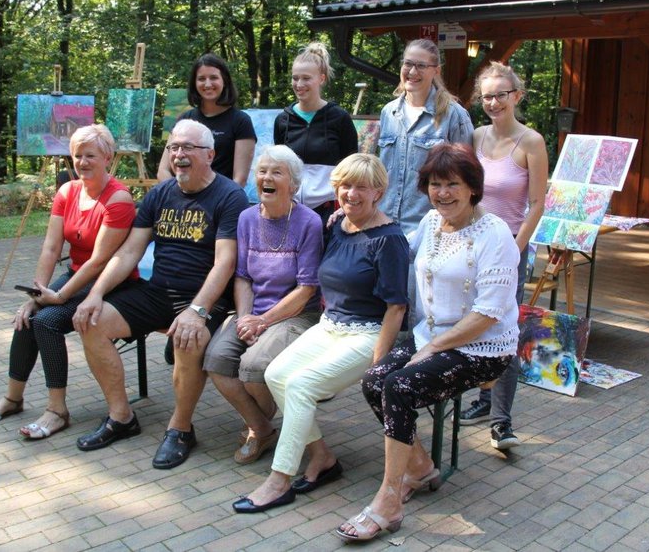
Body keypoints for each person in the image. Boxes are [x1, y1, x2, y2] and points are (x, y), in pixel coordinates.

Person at [336, 144, 519, 541]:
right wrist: (356, 216)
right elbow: (400, 248)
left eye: (453, 184)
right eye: (435, 184)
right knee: (374, 379)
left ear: (473, 187)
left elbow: (488, 313)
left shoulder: (496, 234)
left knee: (398, 387)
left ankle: (388, 501)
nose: (443, 193)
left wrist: (434, 348)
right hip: (432, 337)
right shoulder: (432, 224)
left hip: (481, 348)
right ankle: (419, 468)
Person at [233, 154, 408, 514]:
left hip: (367, 334)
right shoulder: (338, 225)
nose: (351, 193)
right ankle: (323, 457)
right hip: (331, 325)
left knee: (301, 385)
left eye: (361, 186)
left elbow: (397, 307)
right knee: (276, 374)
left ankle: (279, 480)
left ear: (379, 192)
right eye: (345, 185)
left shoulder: (389, 239)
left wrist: (378, 362)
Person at [71, 119, 249, 467]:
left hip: (205, 297)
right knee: (92, 322)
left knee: (188, 338)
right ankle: (121, 417)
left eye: (187, 148)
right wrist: (96, 293)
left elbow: (225, 263)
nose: (179, 155)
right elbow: (128, 252)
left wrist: (197, 310)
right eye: (173, 148)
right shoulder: (159, 194)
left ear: (210, 155)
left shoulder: (229, 196)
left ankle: (180, 428)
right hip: (158, 293)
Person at [0, 124, 134, 439]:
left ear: (108, 158)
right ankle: (12, 397)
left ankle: (57, 411)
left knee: (45, 321)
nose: (82, 162)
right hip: (77, 274)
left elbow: (99, 260)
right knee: (29, 315)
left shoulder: (119, 198)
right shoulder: (67, 191)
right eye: (77, 155)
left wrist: (59, 296)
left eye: (90, 155)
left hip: (108, 281)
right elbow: (51, 248)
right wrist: (37, 293)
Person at [204, 145, 323, 465]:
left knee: (254, 367)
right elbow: (242, 277)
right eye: (262, 171)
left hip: (297, 313)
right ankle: (262, 427)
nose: (266, 178)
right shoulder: (246, 218)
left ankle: (265, 426)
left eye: (276, 172)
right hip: (252, 310)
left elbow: (306, 288)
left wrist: (264, 321)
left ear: (294, 185)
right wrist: (245, 318)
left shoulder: (309, 222)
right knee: (215, 358)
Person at [456, 61, 548, 451]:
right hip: (473, 245)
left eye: (501, 95)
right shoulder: (476, 137)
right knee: (472, 324)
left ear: (517, 97)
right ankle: (481, 398)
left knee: (504, 329)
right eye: (487, 96)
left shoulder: (531, 142)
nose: (493, 102)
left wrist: (514, 250)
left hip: (510, 245)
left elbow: (538, 203)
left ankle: (502, 423)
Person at [378, 38, 474, 234]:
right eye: (408, 64)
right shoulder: (389, 112)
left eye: (421, 65)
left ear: (436, 71)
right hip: (384, 224)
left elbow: (467, 179)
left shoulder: (454, 115)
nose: (412, 72)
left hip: (430, 229)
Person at [274, 41, 358, 225]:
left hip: (329, 211)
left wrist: (345, 208)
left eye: (306, 78)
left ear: (321, 78)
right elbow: (277, 167)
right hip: (290, 210)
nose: (299, 84)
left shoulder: (340, 118)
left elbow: (352, 168)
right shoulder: (283, 120)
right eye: (295, 78)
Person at [157, 53, 256, 187]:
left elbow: (239, 180)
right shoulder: (184, 119)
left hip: (221, 201)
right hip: (182, 199)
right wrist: (178, 195)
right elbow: (163, 171)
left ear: (224, 81)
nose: (207, 84)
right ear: (194, 83)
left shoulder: (241, 121)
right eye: (201, 78)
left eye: (214, 77)